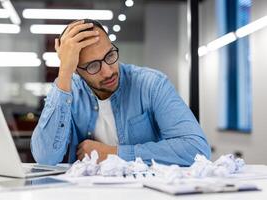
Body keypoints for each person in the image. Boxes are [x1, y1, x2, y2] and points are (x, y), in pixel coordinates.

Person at [31, 19, 211, 166]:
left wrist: (113, 153)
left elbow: (197, 149)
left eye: (110, 56)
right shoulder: (70, 92)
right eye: (93, 65)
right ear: (76, 70)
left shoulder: (151, 85)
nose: (108, 71)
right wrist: (64, 73)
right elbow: (46, 158)